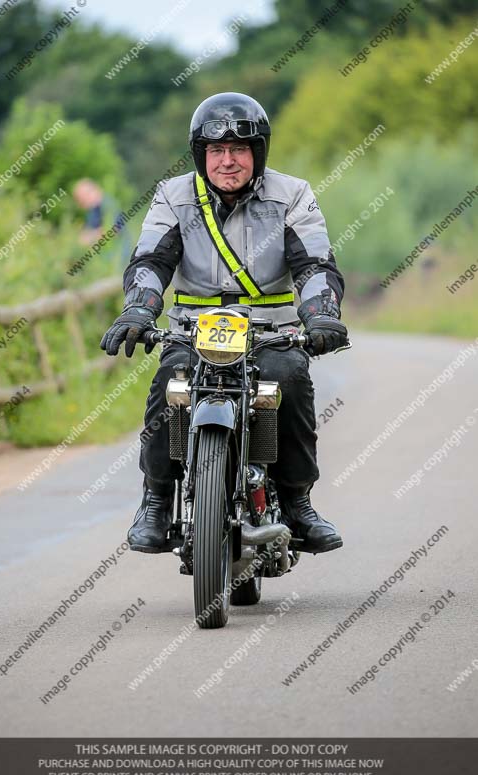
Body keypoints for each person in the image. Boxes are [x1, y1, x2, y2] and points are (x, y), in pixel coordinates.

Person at [100, 92, 348, 555]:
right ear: (201, 154)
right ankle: (156, 500)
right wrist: (139, 308)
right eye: (217, 151)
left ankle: (297, 503)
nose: (228, 161)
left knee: (289, 381)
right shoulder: (173, 196)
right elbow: (152, 260)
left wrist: (320, 315)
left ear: (259, 152)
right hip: (193, 330)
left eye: (239, 150)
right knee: (169, 383)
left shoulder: (292, 193)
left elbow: (314, 265)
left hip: (271, 331)